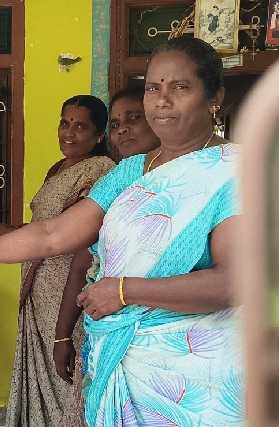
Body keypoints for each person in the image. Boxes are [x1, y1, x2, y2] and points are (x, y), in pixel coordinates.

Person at [0, 37, 244, 427]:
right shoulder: (130, 172)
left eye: (180, 87)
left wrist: (123, 290)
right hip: (120, 365)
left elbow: (233, 283)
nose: (162, 101)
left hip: (198, 377)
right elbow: (52, 235)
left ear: (214, 96)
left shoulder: (235, 172)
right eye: (154, 88)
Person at [0, 95, 115, 427]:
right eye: (65, 122)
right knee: (44, 378)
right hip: (38, 293)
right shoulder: (59, 168)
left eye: (81, 126)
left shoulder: (101, 170)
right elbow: (44, 228)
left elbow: (76, 239)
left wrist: (63, 332)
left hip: (67, 293)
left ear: (99, 135)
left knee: (66, 378)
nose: (69, 132)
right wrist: (2, 230)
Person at [52, 85, 160, 414]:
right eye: (116, 123)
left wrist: (125, 291)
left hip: (165, 339)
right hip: (106, 329)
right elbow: (76, 258)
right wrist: (62, 335)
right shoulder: (116, 182)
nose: (123, 128)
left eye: (133, 118)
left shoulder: (195, 180)